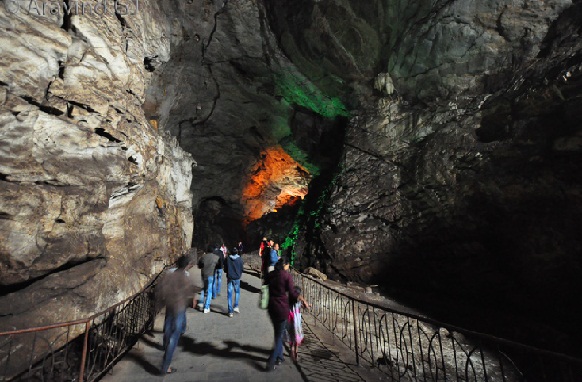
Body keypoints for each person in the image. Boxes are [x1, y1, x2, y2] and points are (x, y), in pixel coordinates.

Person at [156, 255, 198, 374]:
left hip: (169, 306)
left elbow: (160, 289)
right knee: (175, 336)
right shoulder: (185, 277)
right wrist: (193, 300)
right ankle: (165, 365)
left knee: (168, 328)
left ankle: (165, 344)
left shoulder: (169, 275)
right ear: (186, 265)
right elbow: (189, 292)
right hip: (179, 308)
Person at [265, 257, 309, 372]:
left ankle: (280, 356)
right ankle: (272, 361)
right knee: (279, 336)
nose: (288, 267)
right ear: (286, 265)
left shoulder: (271, 274)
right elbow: (293, 293)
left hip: (271, 307)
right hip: (281, 309)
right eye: (288, 265)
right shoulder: (286, 276)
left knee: (278, 333)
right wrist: (303, 300)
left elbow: (265, 286)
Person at [197, 246, 220, 313]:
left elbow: (199, 265)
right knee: (209, 290)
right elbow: (218, 266)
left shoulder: (203, 257)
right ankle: (206, 307)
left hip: (204, 274)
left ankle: (201, 302)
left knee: (203, 288)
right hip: (211, 274)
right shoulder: (216, 257)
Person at [287, 286, 305, 362]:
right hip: (296, 322)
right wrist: (305, 303)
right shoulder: (298, 301)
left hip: (290, 320)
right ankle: (296, 353)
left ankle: (291, 350)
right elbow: (301, 302)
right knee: (297, 337)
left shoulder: (289, 300)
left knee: (291, 336)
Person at [225, 247, 244, 317]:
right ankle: (236, 305)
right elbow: (242, 268)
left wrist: (227, 272)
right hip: (237, 277)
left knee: (229, 294)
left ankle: (230, 311)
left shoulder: (227, 259)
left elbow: (225, 268)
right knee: (237, 292)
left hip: (230, 277)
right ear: (237, 252)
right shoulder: (240, 259)